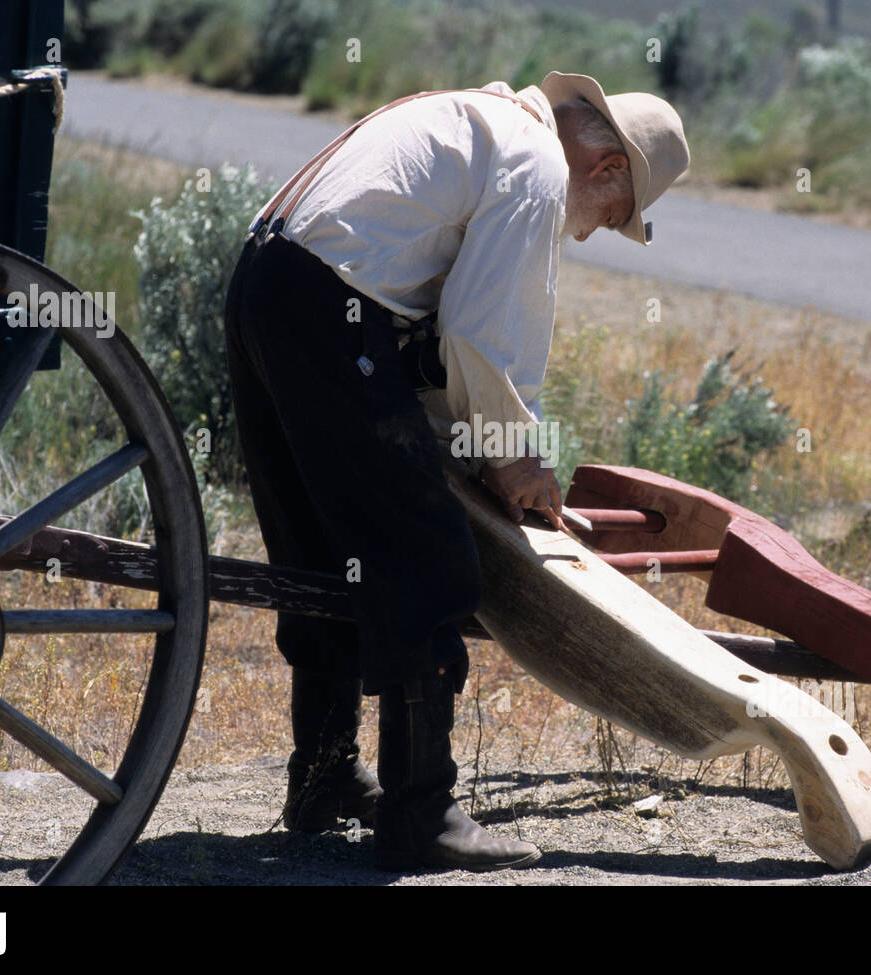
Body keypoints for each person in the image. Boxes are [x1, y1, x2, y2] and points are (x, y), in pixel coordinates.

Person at [222, 71, 689, 872]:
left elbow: (435, 337)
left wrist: (471, 448)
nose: (590, 233)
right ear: (608, 168)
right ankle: (422, 813)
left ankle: (325, 776)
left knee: (322, 551)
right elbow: (478, 333)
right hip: (333, 305)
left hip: (266, 287)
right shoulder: (539, 167)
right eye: (613, 216)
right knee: (430, 557)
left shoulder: (475, 120)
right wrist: (513, 460)